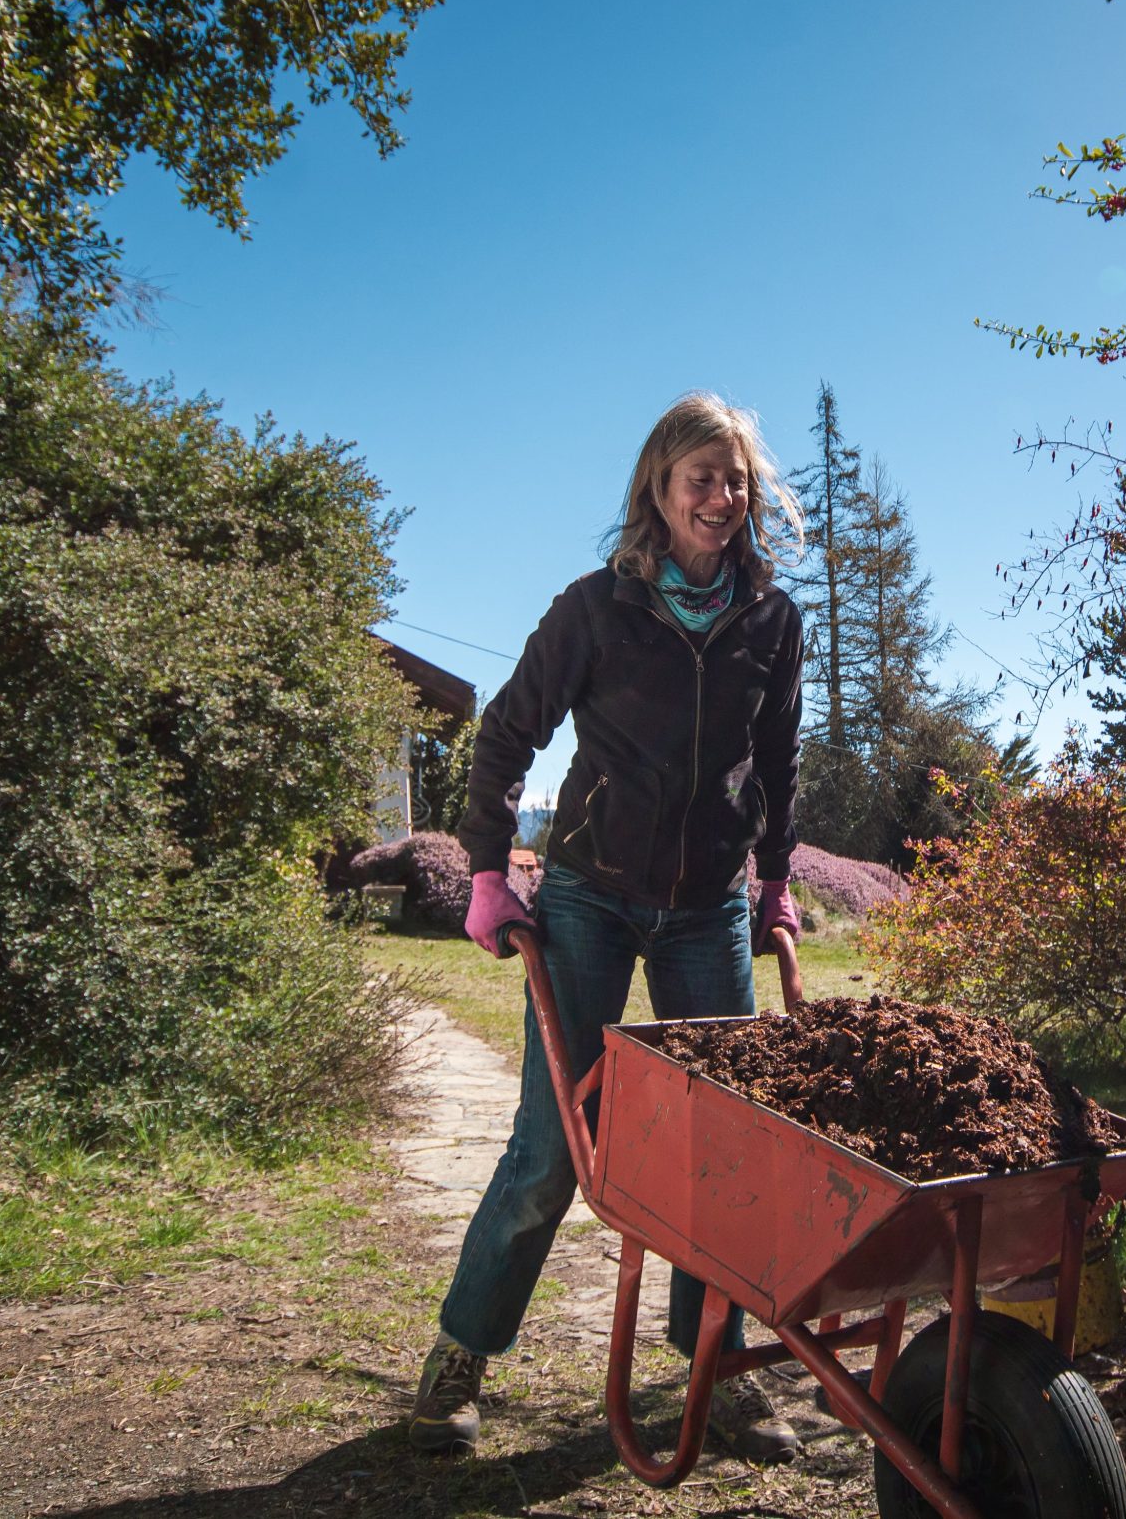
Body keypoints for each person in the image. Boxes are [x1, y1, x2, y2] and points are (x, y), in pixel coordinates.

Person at [409, 394, 809, 1461]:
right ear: (657, 486)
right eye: (701, 478)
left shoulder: (772, 618)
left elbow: (776, 766)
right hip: (588, 892)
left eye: (737, 482)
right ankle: (459, 1355)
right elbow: (504, 739)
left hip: (706, 904)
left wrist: (771, 882)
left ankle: (709, 1366)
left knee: (718, 1146)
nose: (722, 499)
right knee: (554, 1143)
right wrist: (488, 871)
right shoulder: (594, 608)